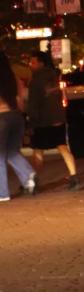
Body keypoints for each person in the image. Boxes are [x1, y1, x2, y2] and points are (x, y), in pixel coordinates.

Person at [27, 51, 80, 191]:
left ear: (41, 63)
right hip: (58, 118)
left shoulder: (36, 80)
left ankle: (33, 181)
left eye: (33, 62)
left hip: (42, 120)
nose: (30, 65)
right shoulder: (54, 77)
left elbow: (34, 103)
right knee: (62, 146)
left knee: (38, 151)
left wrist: (31, 121)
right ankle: (74, 176)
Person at [0, 51, 36, 201]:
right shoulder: (12, 77)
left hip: (1, 118)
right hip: (17, 116)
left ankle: (2, 193)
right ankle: (28, 174)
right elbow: (21, 93)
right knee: (11, 151)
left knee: (0, 156)